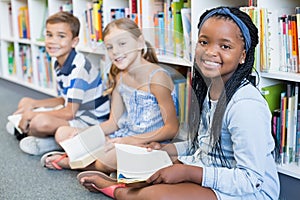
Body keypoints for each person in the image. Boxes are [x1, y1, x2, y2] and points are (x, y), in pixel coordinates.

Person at [76, 6, 280, 200]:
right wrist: (168, 151)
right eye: (204, 42)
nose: (210, 52)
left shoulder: (245, 105)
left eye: (225, 46)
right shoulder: (212, 90)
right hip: (211, 170)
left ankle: (118, 191)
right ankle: (124, 184)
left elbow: (251, 179)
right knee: (153, 168)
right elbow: (203, 146)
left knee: (157, 195)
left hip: (249, 193)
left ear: (243, 55)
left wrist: (189, 173)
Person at [41, 18, 179, 173]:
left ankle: (69, 161)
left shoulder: (157, 77)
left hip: (148, 142)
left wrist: (131, 140)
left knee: (108, 159)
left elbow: (172, 128)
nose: (115, 52)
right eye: (110, 47)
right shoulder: (120, 77)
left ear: (140, 42)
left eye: (122, 43)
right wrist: (91, 134)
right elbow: (113, 122)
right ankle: (86, 155)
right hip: (121, 136)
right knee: (63, 132)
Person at [9, 11, 110, 156]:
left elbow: (69, 112)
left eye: (61, 36)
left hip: (90, 122)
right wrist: (33, 105)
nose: (52, 41)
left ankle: (50, 143)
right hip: (74, 112)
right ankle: (35, 132)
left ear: (74, 41)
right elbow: (64, 99)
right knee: (26, 101)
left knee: (39, 123)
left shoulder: (80, 68)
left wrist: (32, 114)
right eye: (49, 35)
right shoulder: (59, 62)